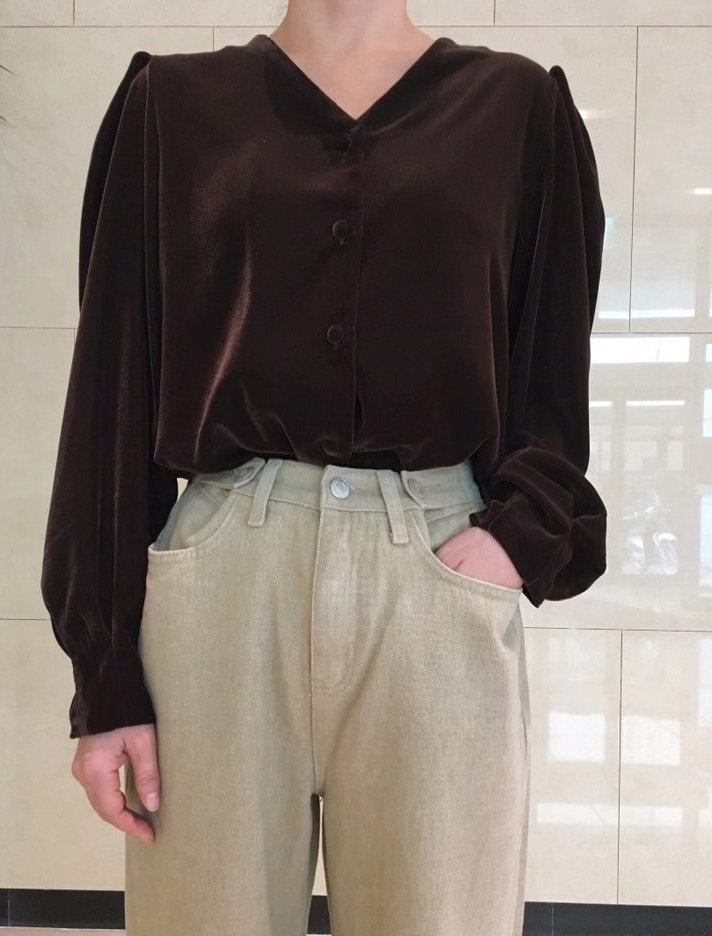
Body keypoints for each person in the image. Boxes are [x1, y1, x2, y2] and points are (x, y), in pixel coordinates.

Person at [40, 2, 608, 934]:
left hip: (433, 582)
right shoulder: (171, 106)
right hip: (222, 588)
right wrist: (104, 676)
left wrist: (519, 535)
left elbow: (550, 365)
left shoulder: (516, 108)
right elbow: (113, 387)